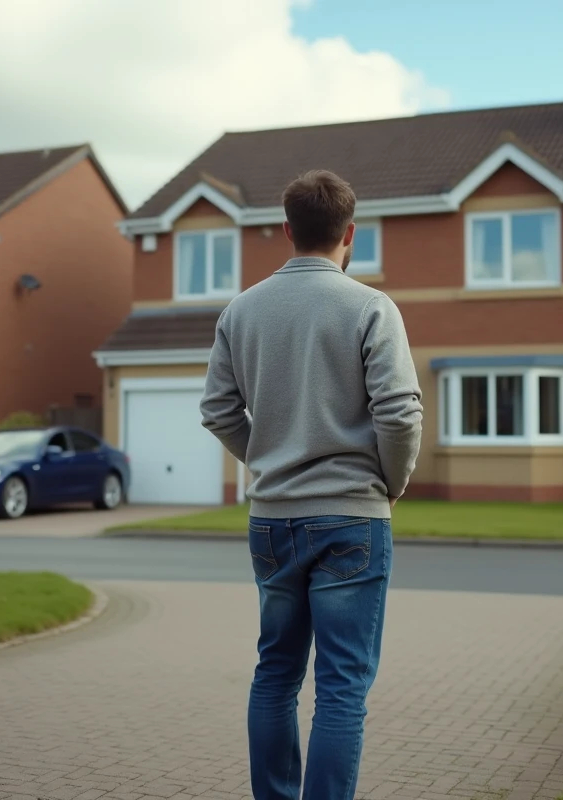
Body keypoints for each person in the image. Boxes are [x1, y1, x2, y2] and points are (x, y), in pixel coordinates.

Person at [200, 169, 423, 800]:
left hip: (272, 521)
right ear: (351, 234)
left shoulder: (239, 311)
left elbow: (217, 410)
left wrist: (268, 461)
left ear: (286, 230)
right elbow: (400, 411)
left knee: (274, 674)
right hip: (353, 518)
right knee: (342, 688)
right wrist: (390, 481)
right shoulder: (370, 308)